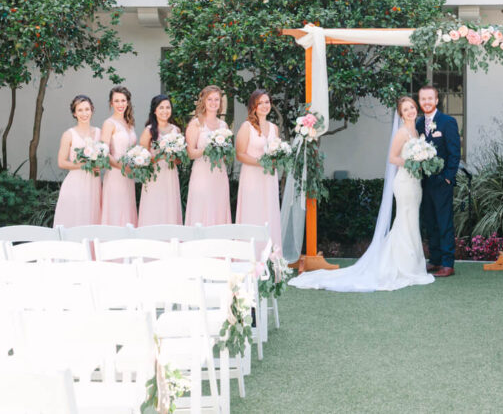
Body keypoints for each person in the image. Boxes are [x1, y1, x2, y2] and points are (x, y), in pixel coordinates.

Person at [290, 96, 435, 292]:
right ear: (400, 114)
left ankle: (412, 264)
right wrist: (412, 162)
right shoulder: (402, 133)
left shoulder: (415, 131)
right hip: (404, 182)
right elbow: (393, 158)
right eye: (405, 109)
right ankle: (399, 266)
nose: (410, 111)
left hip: (415, 183)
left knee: (411, 221)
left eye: (412, 107)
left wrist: (422, 160)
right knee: (403, 220)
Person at [417, 85, 462, 278]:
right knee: (430, 221)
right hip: (424, 182)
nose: (426, 102)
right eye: (423, 99)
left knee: (444, 222)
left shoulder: (447, 122)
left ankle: (447, 263)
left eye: (430, 98)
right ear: (420, 101)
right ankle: (434, 259)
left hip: (442, 182)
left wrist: (447, 178)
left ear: (436, 100)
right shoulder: (418, 124)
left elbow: (454, 153)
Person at [235, 89, 282, 253]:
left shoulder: (274, 128)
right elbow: (240, 154)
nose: (264, 106)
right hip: (252, 177)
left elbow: (276, 152)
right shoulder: (246, 127)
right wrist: (261, 163)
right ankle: (250, 256)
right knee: (253, 213)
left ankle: (271, 256)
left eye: (267, 102)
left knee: (269, 213)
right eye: (260, 103)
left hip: (269, 178)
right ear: (253, 106)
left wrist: (278, 159)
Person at [185, 85, 232, 226]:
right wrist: (207, 149)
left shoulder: (224, 126)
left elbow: (226, 156)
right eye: (210, 99)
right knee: (201, 207)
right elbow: (190, 153)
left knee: (219, 207)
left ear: (220, 103)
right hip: (202, 174)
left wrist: (223, 151)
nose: (213, 102)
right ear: (204, 101)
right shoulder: (196, 124)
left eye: (216, 99)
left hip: (219, 174)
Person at [53, 95, 103, 227]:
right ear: (74, 113)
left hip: (94, 183)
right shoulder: (69, 134)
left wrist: (99, 165)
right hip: (75, 184)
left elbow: (103, 157)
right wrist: (84, 165)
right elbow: (61, 162)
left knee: (92, 220)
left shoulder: (99, 133)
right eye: (80, 110)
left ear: (92, 110)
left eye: (87, 109)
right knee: (75, 220)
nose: (84, 113)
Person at [137, 94, 184, 226]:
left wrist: (174, 157)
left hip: (170, 175)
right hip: (154, 176)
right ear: (155, 110)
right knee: (154, 207)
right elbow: (142, 159)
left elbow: (180, 160)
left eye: (168, 107)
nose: (165, 111)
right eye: (161, 107)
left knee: (170, 206)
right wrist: (160, 156)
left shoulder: (176, 130)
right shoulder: (149, 131)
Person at [100, 86, 138, 227]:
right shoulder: (109, 124)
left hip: (129, 175)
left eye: (123, 100)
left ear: (127, 102)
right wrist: (122, 167)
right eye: (116, 101)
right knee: (116, 210)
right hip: (116, 173)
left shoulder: (130, 123)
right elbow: (104, 152)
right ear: (111, 103)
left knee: (127, 209)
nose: (120, 104)